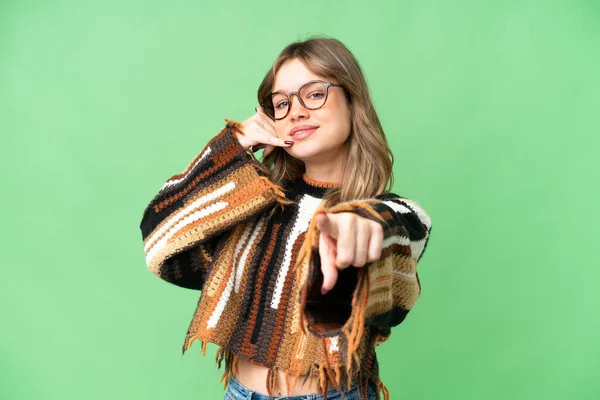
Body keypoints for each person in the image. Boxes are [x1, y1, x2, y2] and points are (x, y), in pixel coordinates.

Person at [139, 36, 433, 400]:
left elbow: (399, 244)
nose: (295, 112)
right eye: (281, 103)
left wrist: (364, 226)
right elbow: (159, 241)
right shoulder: (257, 204)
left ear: (352, 101)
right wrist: (233, 144)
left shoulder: (391, 215)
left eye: (313, 94)